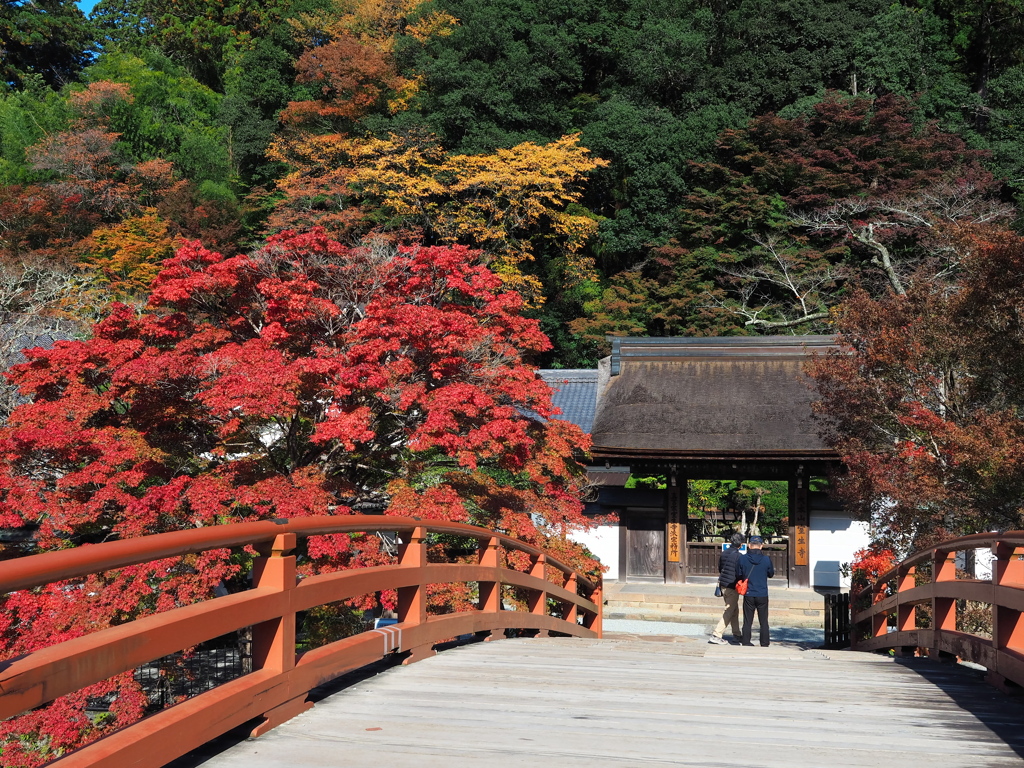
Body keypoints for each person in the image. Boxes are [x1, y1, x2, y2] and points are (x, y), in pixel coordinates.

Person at [738, 535, 775, 647]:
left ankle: (745, 641)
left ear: (749, 545)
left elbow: (738, 574)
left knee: (747, 620)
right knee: (763, 620)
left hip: (749, 592)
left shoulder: (742, 558)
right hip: (762, 593)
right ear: (761, 546)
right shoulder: (766, 559)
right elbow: (771, 574)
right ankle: (764, 642)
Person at [709, 532, 744, 645]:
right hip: (732, 586)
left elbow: (720, 568)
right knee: (729, 609)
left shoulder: (724, 553)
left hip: (723, 584)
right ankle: (716, 634)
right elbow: (740, 572)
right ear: (741, 544)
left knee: (734, 609)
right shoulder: (738, 556)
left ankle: (737, 634)